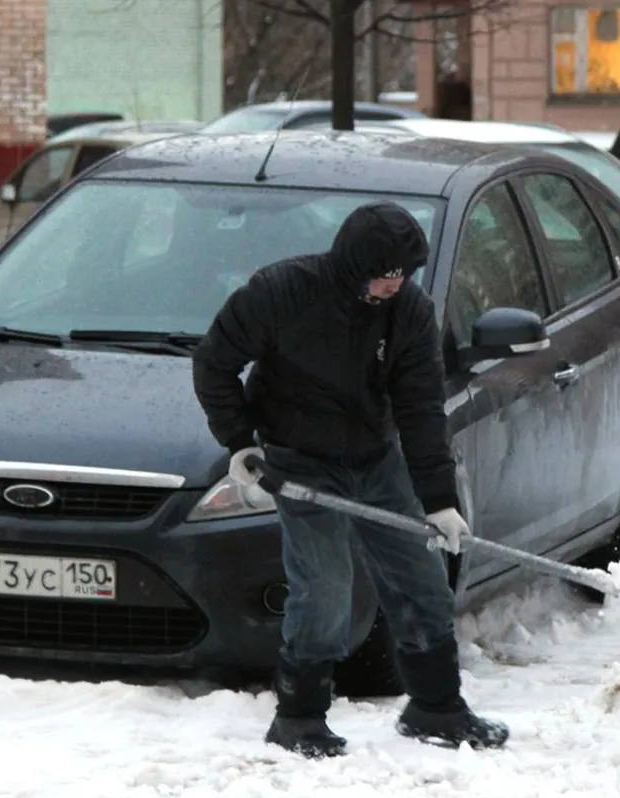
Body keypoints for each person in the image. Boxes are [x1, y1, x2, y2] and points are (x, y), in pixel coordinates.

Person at [191, 200, 509, 759]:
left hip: (376, 457)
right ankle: (299, 718)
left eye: (404, 274)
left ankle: (436, 707)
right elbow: (214, 363)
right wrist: (241, 442)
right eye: (385, 274)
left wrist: (438, 501)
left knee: (421, 580)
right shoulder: (281, 293)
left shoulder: (409, 312)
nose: (395, 285)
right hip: (298, 460)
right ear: (355, 265)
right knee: (325, 589)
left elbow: (421, 409)